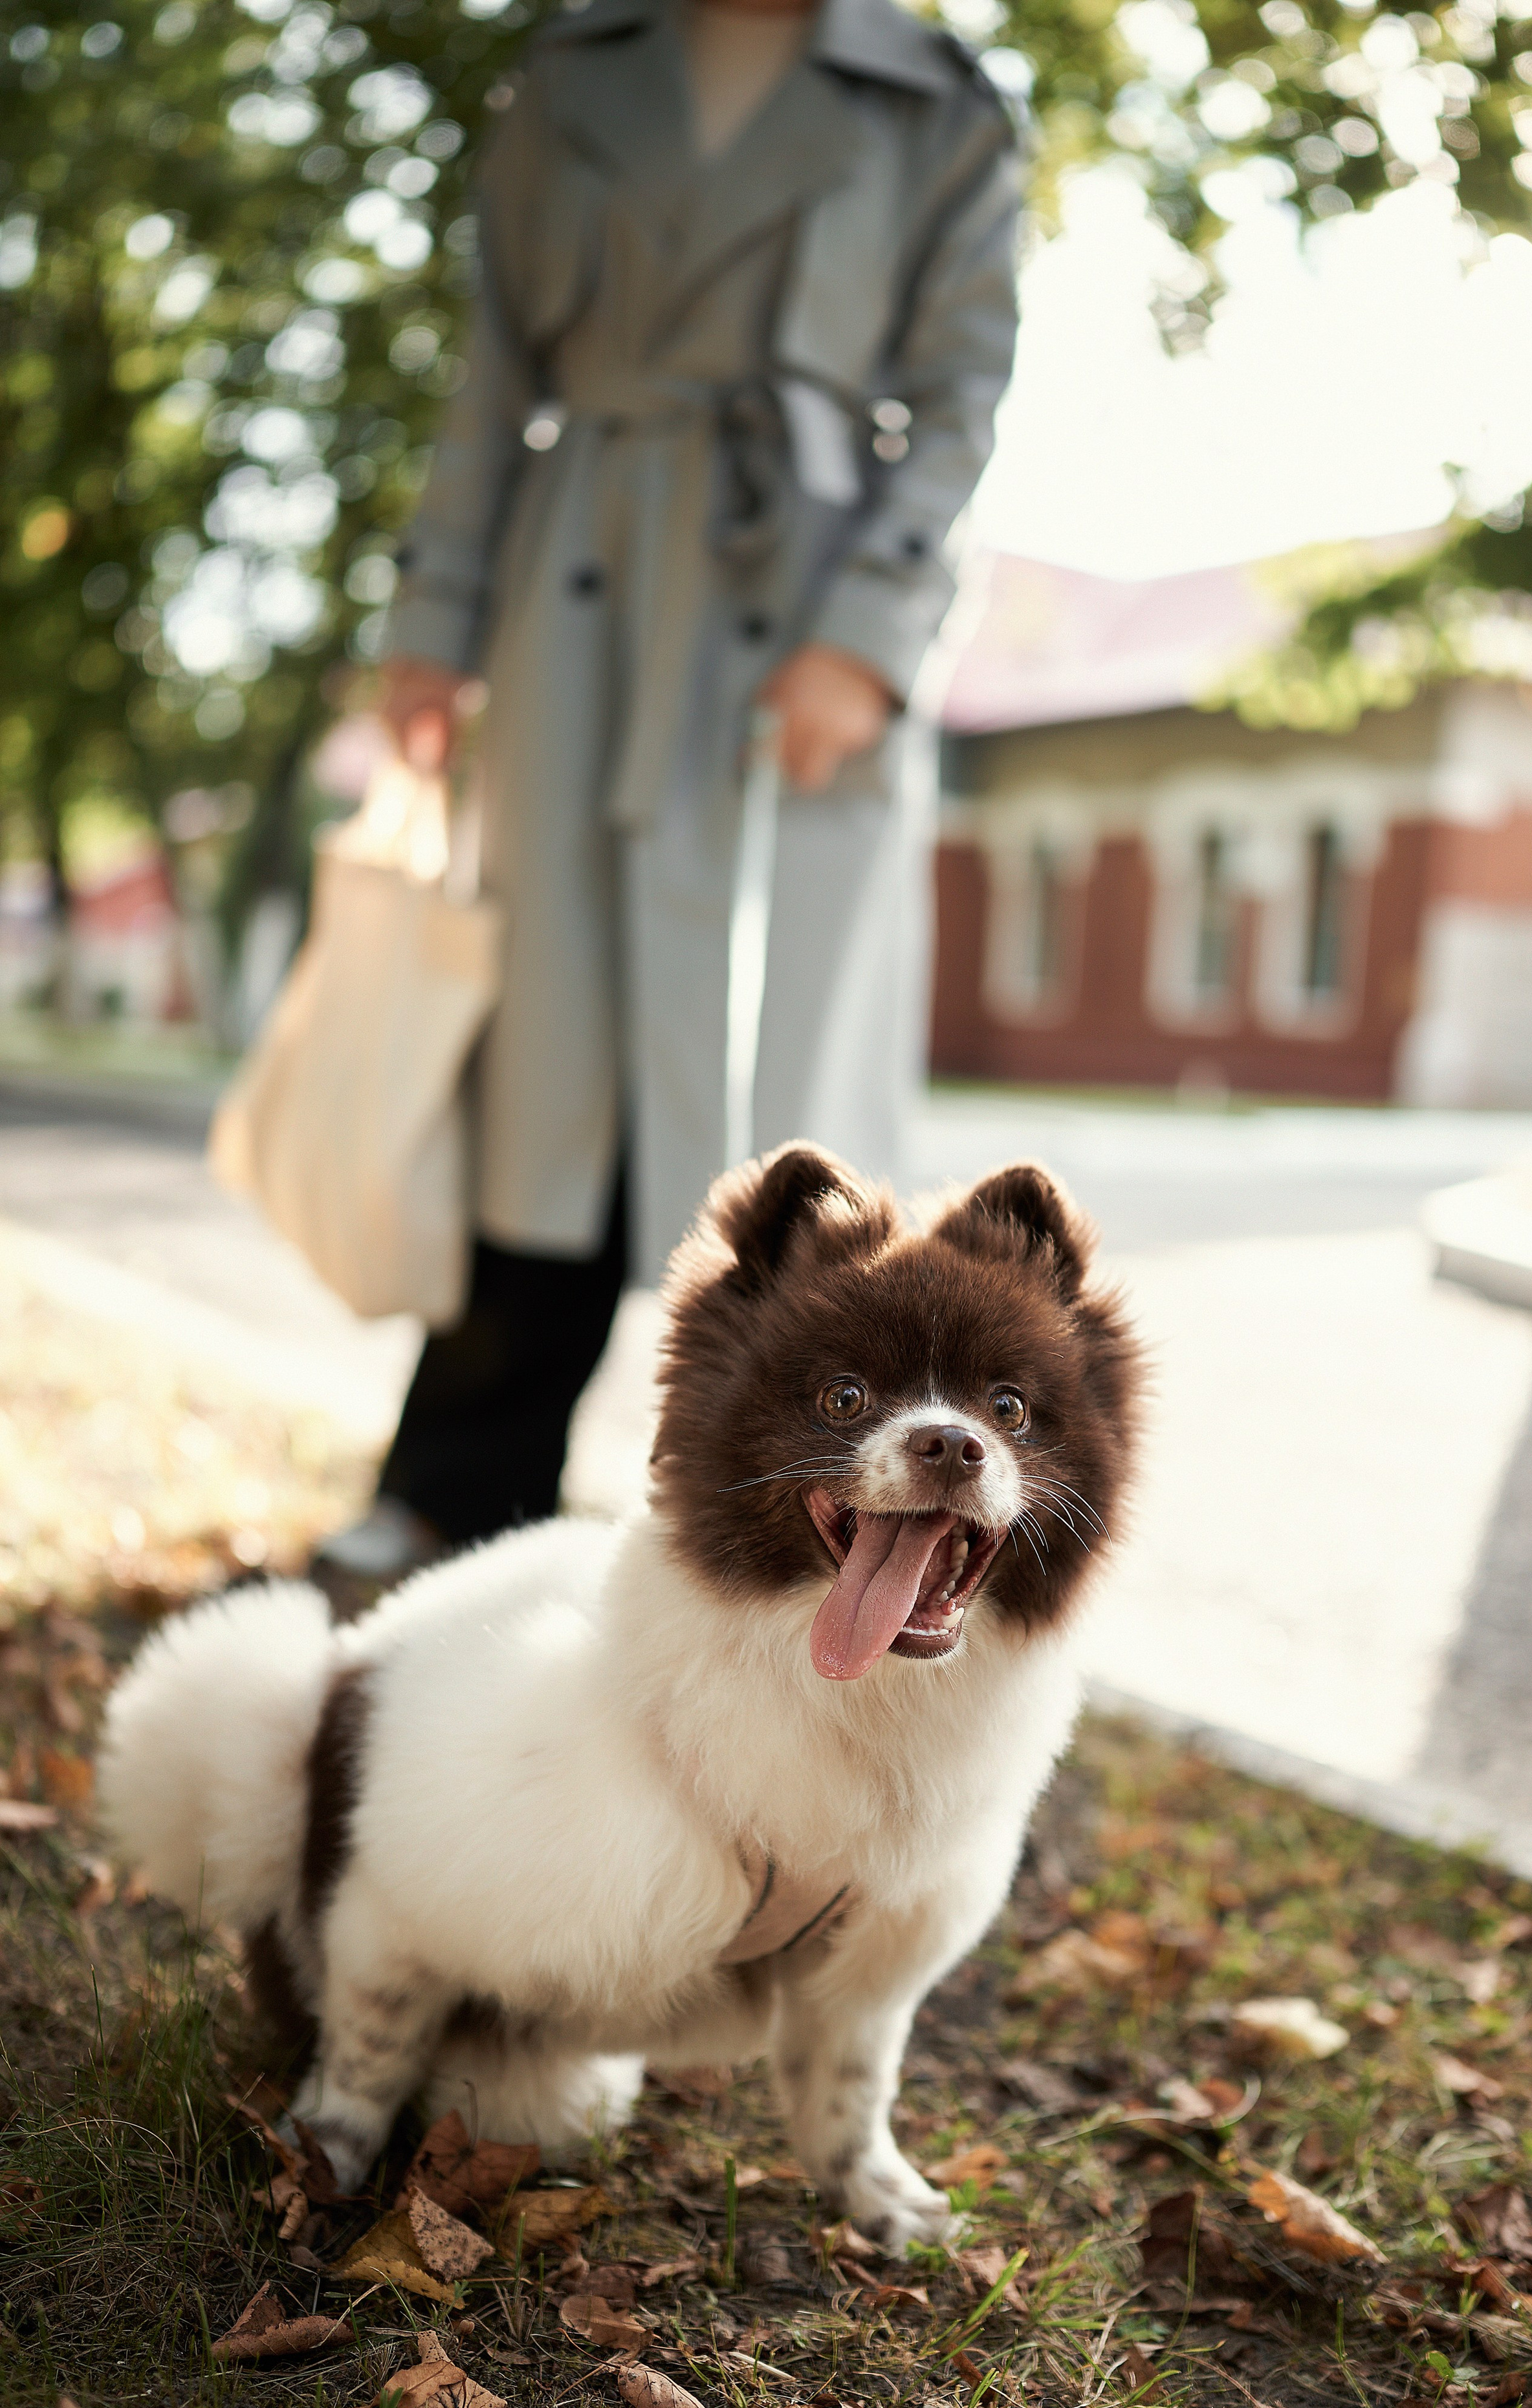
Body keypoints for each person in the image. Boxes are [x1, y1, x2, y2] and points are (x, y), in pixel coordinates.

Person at [321, 0, 1021, 1575]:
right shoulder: (574, 69)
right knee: (543, 1076)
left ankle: (781, 1525)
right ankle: (454, 1484)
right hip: (578, 597)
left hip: (806, 613)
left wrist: (867, 636)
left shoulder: (939, 100)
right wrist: (435, 616)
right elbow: (494, 363)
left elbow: (964, 391)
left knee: (788, 1098)